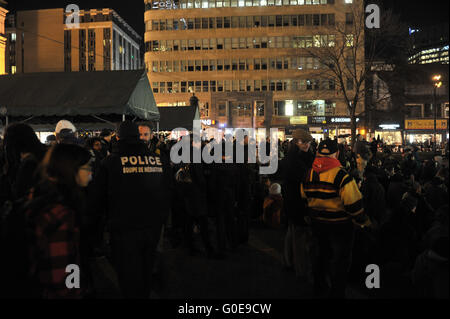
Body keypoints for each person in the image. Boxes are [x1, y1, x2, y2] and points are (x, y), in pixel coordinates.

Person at [90, 121, 170, 298]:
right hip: (153, 225)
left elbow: (97, 198)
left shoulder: (110, 162)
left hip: (124, 227)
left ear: (118, 137)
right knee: (147, 268)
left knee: (128, 274)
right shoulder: (158, 159)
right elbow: (167, 189)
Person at [301, 139, 371, 298]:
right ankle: (336, 293)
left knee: (320, 259)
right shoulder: (342, 176)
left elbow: (304, 198)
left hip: (318, 224)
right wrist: (363, 221)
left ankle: (319, 289)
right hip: (340, 226)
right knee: (340, 262)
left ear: (318, 152)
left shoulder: (308, 173)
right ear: (337, 154)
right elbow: (354, 206)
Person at [27, 143, 92, 298]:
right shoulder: (61, 214)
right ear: (70, 169)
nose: (91, 174)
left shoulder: (39, 196)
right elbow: (65, 271)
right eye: (88, 168)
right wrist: (76, 291)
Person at [282, 129, 315, 279]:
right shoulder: (292, 160)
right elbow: (305, 177)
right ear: (296, 142)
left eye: (308, 141)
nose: (307, 144)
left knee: (293, 233)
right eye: (304, 141)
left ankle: (289, 262)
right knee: (299, 236)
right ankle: (301, 270)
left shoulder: (305, 156)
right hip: (296, 201)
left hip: (296, 200)